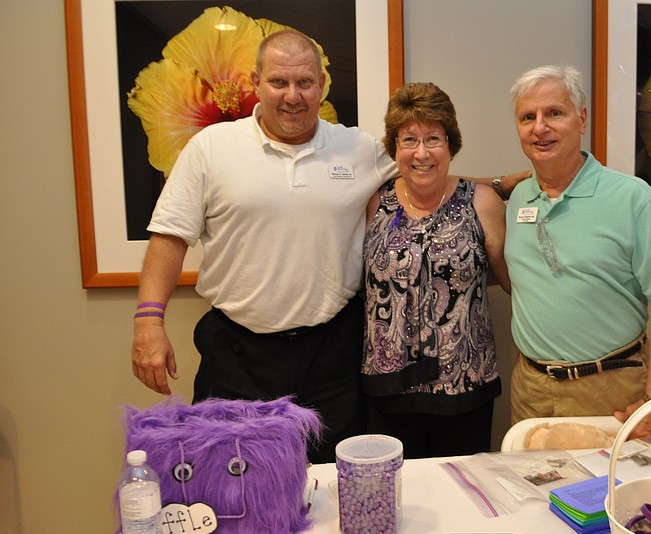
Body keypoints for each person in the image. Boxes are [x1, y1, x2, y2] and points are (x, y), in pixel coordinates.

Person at [130, 29, 525, 463]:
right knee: (236, 478)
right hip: (238, 352)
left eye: (304, 83)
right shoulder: (210, 148)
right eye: (279, 82)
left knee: (337, 486)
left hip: (333, 354)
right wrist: (149, 322)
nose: (292, 96)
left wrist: (507, 184)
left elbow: (428, 172)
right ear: (255, 82)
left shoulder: (355, 148)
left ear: (321, 85)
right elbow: (169, 237)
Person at [503, 65, 651, 440]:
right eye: (528, 117)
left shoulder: (632, 199)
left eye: (555, 113)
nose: (540, 127)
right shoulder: (519, 197)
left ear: (582, 119)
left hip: (611, 390)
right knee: (531, 498)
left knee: (608, 498)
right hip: (531, 389)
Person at [360, 83, 511, 458]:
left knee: (465, 498)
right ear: (394, 146)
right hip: (387, 386)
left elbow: (511, 279)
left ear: (451, 145)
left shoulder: (482, 202)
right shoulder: (375, 201)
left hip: (464, 384)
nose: (421, 152)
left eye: (433, 139)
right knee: (399, 495)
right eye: (409, 139)